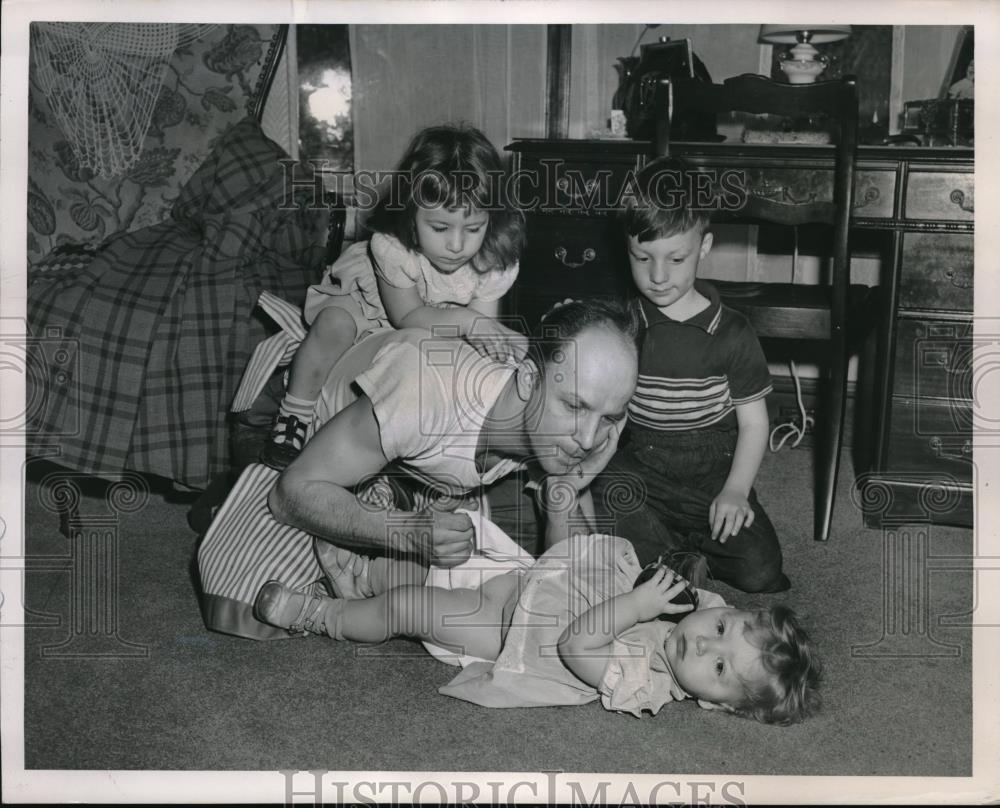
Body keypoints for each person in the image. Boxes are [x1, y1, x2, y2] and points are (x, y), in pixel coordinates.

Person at [197, 298, 641, 639]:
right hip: (299, 432)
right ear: (527, 381)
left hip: (414, 474)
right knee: (238, 598)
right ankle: (228, 490)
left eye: (610, 417)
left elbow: (571, 592)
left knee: (524, 583)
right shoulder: (426, 392)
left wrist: (566, 492)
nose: (587, 438)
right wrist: (404, 531)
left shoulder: (565, 417)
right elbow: (290, 492)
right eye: (575, 407)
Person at [253, 530, 820, 724]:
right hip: (530, 580)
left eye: (718, 666)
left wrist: (639, 606)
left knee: (412, 608)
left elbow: (578, 642)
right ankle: (362, 576)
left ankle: (319, 616)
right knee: (432, 569)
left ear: (715, 703)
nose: (704, 639)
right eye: (721, 625)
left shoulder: (642, 684)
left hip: (509, 634)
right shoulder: (690, 610)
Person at [260, 123, 525, 469]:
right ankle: (294, 414)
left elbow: (480, 331)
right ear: (411, 216)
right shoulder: (393, 248)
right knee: (332, 323)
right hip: (378, 306)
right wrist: (469, 321)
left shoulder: (495, 262)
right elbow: (407, 318)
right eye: (440, 228)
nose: (457, 245)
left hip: (442, 326)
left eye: (473, 228)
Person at [591, 157, 789, 594]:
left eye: (675, 259)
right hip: (646, 468)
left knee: (761, 571)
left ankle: (670, 560)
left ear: (703, 247)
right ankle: (676, 558)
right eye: (641, 258)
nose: (657, 276)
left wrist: (736, 490)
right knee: (604, 485)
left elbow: (755, 423)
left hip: (713, 478)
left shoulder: (732, 332)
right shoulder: (624, 324)